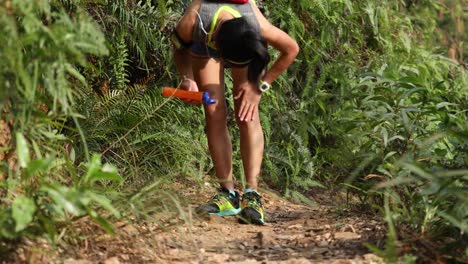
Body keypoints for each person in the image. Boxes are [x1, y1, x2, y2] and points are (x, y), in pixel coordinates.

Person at [171, 0, 299, 225]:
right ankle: (227, 194)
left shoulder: (255, 25)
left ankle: (252, 194)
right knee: (213, 110)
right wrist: (186, 79)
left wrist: (260, 87)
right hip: (207, 39)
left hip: (241, 37)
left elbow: (291, 49)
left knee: (247, 111)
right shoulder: (194, 21)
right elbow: (179, 47)